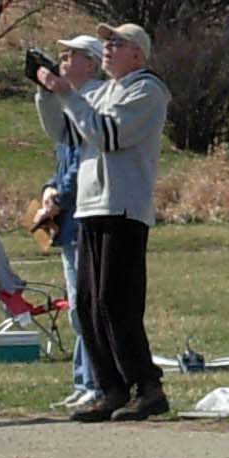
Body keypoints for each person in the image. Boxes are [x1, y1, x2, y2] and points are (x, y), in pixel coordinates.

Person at [64, 23, 175, 422]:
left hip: (124, 206)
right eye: (106, 42)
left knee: (117, 301)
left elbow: (108, 136)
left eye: (117, 43)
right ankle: (111, 387)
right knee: (88, 304)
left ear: (138, 55)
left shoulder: (147, 91)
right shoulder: (102, 91)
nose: (107, 48)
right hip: (91, 205)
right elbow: (65, 131)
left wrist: (68, 97)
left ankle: (147, 386)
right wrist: (49, 92)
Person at [34, 34, 109, 413]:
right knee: (77, 307)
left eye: (71, 55)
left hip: (84, 216)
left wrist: (59, 198)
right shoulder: (71, 105)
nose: (63, 60)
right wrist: (50, 188)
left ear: (91, 63)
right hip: (68, 218)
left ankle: (96, 381)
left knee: (86, 305)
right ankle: (84, 380)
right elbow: (62, 153)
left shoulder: (92, 104)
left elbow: (83, 163)